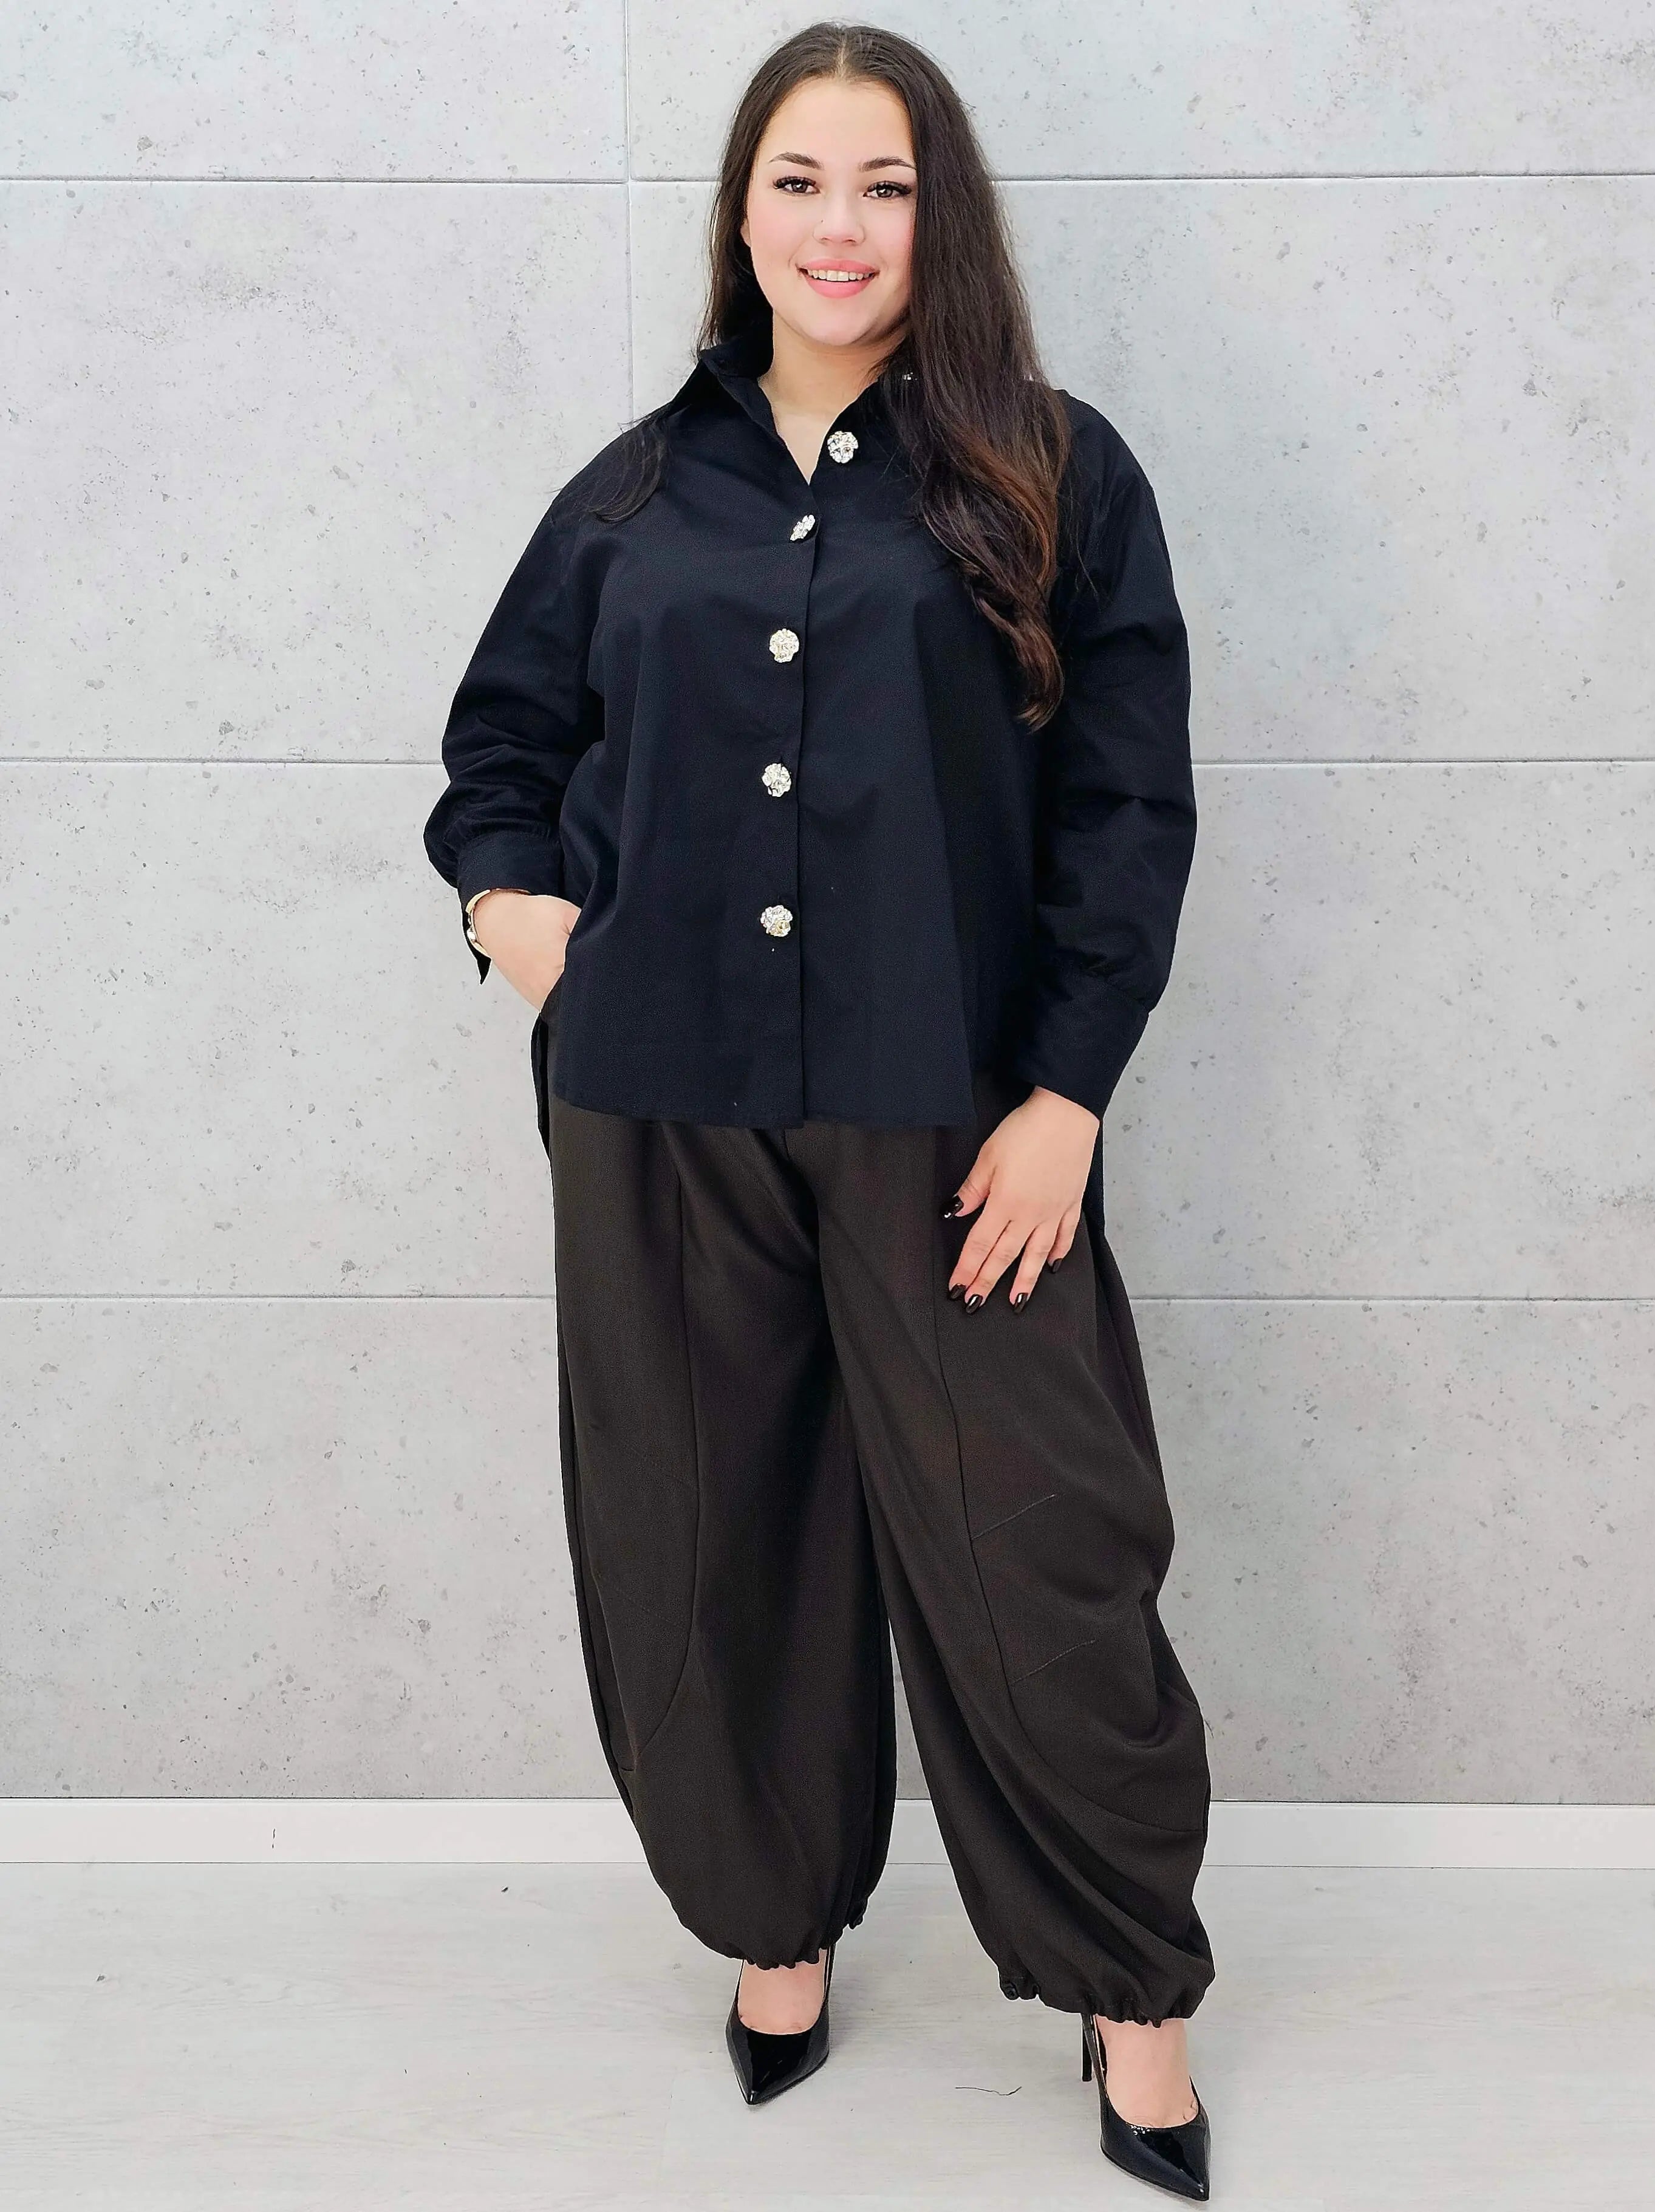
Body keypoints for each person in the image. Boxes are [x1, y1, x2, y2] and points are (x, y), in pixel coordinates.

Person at [423, 21, 1215, 2199]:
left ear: (937, 214)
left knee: (1037, 1546)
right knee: (706, 1538)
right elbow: (497, 752)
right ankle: (774, 1924)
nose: (837, 225)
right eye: (797, 179)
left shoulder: (1051, 471)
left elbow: (1125, 805)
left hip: (950, 1119)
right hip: (656, 1111)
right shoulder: (630, 494)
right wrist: (519, 917)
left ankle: (1131, 1987)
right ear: (741, 211)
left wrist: (1066, 1092)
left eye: (882, 182)